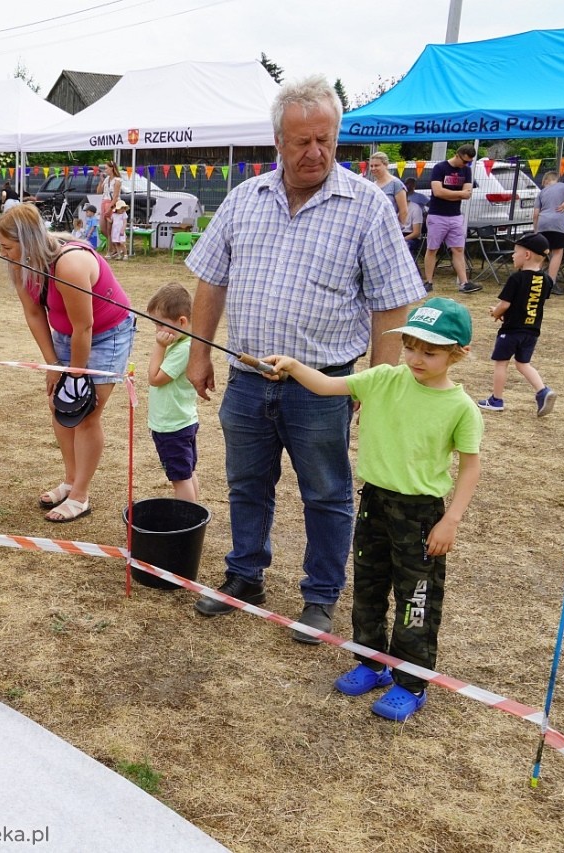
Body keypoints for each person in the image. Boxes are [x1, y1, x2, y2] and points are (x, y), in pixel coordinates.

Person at [184, 74, 423, 642]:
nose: (316, 152)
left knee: (326, 493)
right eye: (302, 141)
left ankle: (320, 597)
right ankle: (245, 576)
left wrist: (379, 383)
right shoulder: (244, 198)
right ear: (278, 142)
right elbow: (211, 281)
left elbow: (392, 304)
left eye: (326, 140)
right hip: (247, 379)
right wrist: (199, 354)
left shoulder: (367, 206)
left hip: (323, 385)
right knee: (246, 484)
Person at [263, 297, 482, 722]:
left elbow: (471, 467)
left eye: (430, 352)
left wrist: (450, 520)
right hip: (374, 503)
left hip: (420, 515)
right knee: (367, 587)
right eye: (410, 347)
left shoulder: (461, 408)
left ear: (458, 354)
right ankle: (371, 662)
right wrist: (294, 366)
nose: (415, 358)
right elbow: (326, 386)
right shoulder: (383, 378)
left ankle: (411, 683)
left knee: (415, 599)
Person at [0, 203, 134, 523]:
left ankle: (80, 496)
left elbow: (85, 327)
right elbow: (34, 314)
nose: (3, 253)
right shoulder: (19, 265)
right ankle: (70, 481)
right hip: (67, 333)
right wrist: (53, 366)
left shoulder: (70, 265)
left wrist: (75, 376)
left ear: (28, 242)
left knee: (85, 412)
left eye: (7, 247)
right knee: (60, 406)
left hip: (105, 334)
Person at [476, 232, 556, 416]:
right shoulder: (546, 280)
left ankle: (496, 400)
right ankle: (543, 391)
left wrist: (496, 312)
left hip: (511, 331)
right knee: (523, 364)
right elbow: (530, 303)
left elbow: (505, 304)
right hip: (531, 331)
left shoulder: (516, 278)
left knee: (501, 363)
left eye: (515, 251)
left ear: (527, 255)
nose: (512, 255)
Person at [146, 283, 199, 502]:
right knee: (188, 472)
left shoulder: (182, 350)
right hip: (182, 421)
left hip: (172, 426)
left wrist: (159, 346)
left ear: (182, 322)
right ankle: (194, 512)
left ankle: (187, 516)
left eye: (160, 324)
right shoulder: (185, 343)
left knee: (180, 479)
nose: (157, 331)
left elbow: (154, 378)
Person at [423, 144, 481, 295]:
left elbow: (467, 193)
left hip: (455, 215)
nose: (466, 164)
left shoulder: (466, 170)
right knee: (432, 249)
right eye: (465, 161)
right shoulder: (440, 168)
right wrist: (459, 194)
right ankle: (428, 281)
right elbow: (437, 192)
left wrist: (449, 194)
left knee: (458, 249)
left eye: (469, 162)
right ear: (457, 155)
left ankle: (464, 283)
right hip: (437, 215)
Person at [533, 171, 564, 290]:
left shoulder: (541, 193)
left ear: (546, 180)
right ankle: (551, 283)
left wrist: (536, 231)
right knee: (557, 253)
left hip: (542, 224)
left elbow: (535, 214)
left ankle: (535, 282)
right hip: (557, 223)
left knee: (541, 253)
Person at [368, 151, 408, 229]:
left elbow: (404, 211)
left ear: (385, 165)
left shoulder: (396, 184)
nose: (373, 168)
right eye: (371, 166)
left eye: (376, 165)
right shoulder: (373, 185)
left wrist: (397, 228)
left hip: (390, 228)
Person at [97, 162, 122, 244]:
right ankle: (113, 245)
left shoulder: (117, 181)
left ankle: (113, 247)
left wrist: (109, 209)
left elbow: (115, 196)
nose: (105, 170)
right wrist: (101, 181)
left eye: (106, 168)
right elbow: (99, 192)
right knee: (102, 229)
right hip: (104, 202)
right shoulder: (106, 179)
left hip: (112, 204)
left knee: (109, 229)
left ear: (112, 168)